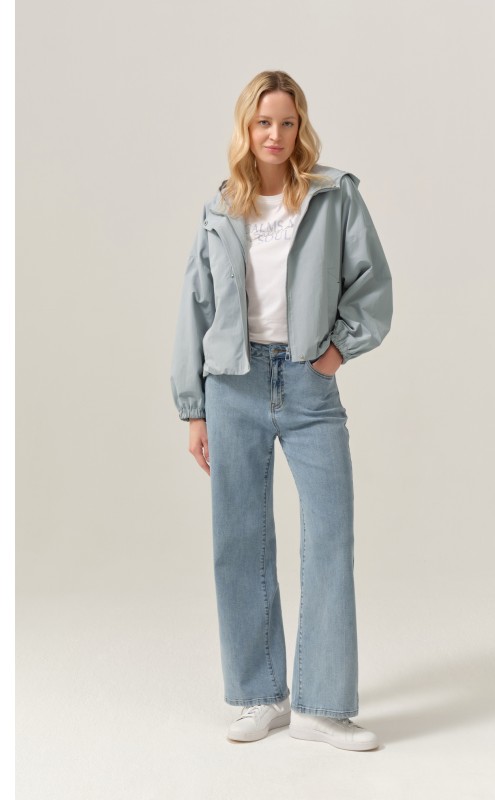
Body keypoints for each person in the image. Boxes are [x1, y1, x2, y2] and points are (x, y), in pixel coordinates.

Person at [170, 70, 393, 751]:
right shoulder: (220, 209)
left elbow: (373, 284)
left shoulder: (333, 196)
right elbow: (196, 307)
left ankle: (322, 707)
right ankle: (260, 695)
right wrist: (194, 410)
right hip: (231, 387)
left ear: (301, 128)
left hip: (307, 385)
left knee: (330, 536)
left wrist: (335, 353)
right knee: (239, 542)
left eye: (287, 122)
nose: (275, 134)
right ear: (247, 128)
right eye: (263, 122)